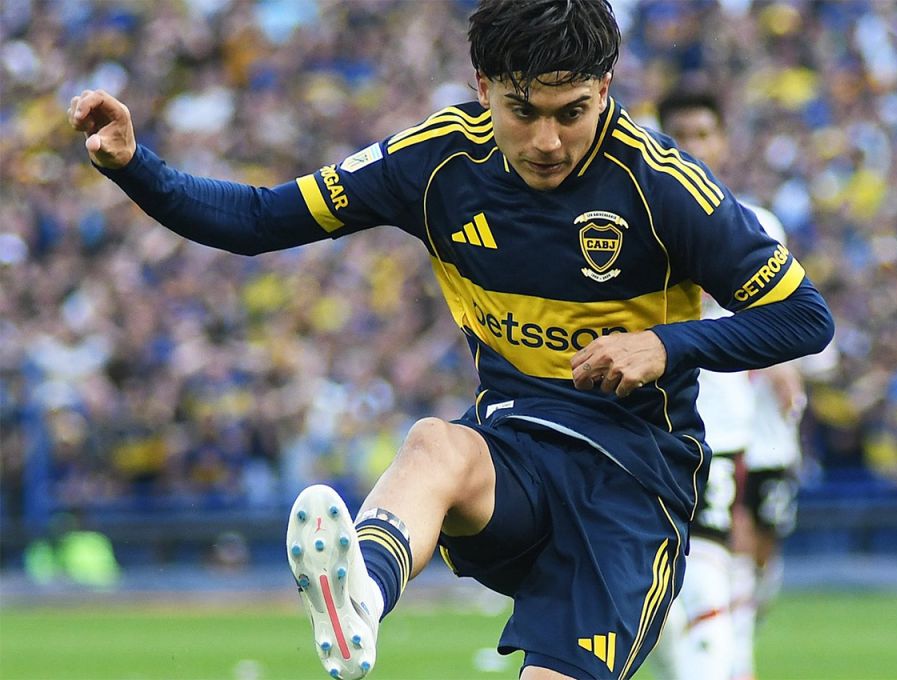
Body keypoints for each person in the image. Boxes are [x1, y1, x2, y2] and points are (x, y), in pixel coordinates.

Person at [68, 1, 833, 678]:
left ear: (606, 89)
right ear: (481, 85)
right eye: (521, 109)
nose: (546, 139)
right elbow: (262, 220)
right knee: (436, 443)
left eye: (571, 112)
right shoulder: (436, 161)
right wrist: (137, 167)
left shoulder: (663, 185)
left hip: (629, 490)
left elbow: (807, 316)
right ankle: (360, 590)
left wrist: (669, 346)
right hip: (516, 454)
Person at [654, 89, 809, 680]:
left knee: (727, 560)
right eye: (680, 135)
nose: (693, 147)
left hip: (718, 426)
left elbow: (788, 318)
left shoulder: (753, 223)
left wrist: (779, 360)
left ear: (723, 141)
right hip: (639, 422)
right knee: (680, 569)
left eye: (703, 134)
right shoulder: (632, 216)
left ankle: (719, 658)